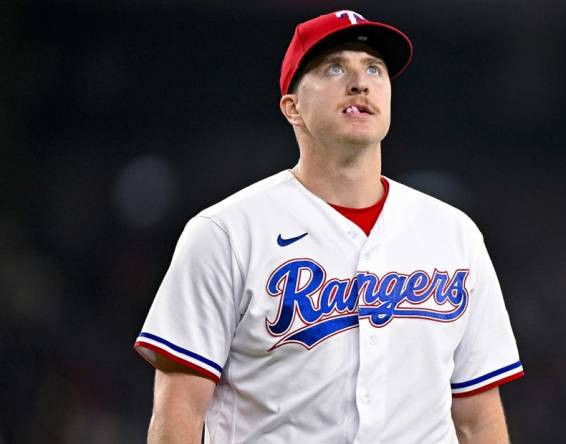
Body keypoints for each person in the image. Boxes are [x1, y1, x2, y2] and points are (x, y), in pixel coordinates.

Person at [134, 10, 523, 444]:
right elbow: (179, 414)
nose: (360, 82)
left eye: (374, 69)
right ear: (292, 107)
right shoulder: (226, 234)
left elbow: (477, 418)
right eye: (335, 67)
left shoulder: (455, 235)